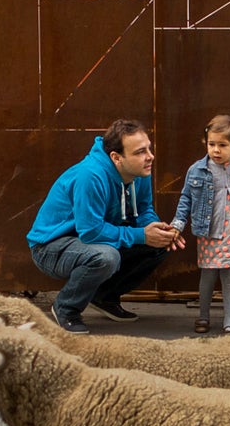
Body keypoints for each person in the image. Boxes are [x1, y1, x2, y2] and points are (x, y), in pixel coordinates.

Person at [26, 119, 182, 334]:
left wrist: (157, 231)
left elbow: (144, 210)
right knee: (106, 257)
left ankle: (104, 297)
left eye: (149, 148)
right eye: (139, 152)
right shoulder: (90, 176)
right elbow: (91, 232)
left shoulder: (140, 171)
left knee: (159, 245)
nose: (150, 156)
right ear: (116, 158)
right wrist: (141, 235)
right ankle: (66, 307)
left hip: (92, 241)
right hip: (51, 248)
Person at [170, 114, 230, 334]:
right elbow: (186, 198)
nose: (215, 150)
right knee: (208, 273)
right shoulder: (197, 170)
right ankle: (203, 316)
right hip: (210, 229)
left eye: (222, 145)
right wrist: (177, 224)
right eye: (211, 144)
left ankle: (229, 321)